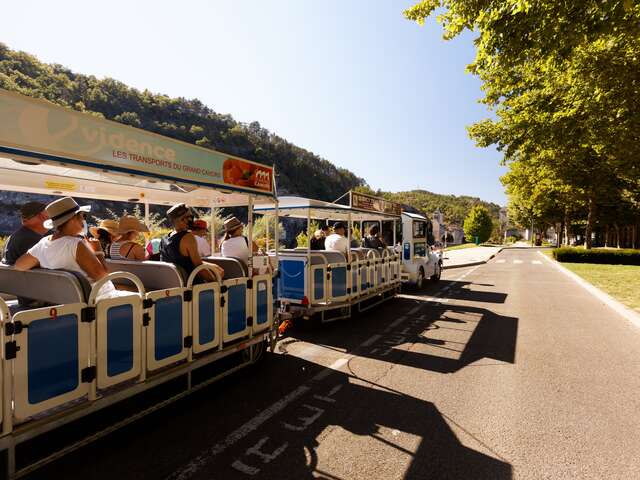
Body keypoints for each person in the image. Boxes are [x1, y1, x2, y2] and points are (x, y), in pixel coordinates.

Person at [14, 197, 123, 300]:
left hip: (69, 300)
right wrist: (98, 251)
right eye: (82, 216)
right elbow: (103, 277)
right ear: (72, 219)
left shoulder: (44, 242)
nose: (84, 220)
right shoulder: (75, 244)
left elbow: (19, 266)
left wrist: (47, 261)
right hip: (98, 300)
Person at [160, 203, 222, 282]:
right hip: (191, 284)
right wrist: (216, 282)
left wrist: (212, 266)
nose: (192, 220)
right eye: (190, 217)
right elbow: (199, 267)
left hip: (173, 282)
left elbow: (182, 261)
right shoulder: (188, 237)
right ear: (184, 219)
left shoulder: (164, 239)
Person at [2, 201, 49, 265]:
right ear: (41, 216)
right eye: (48, 217)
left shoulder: (14, 236)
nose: (49, 220)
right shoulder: (32, 239)